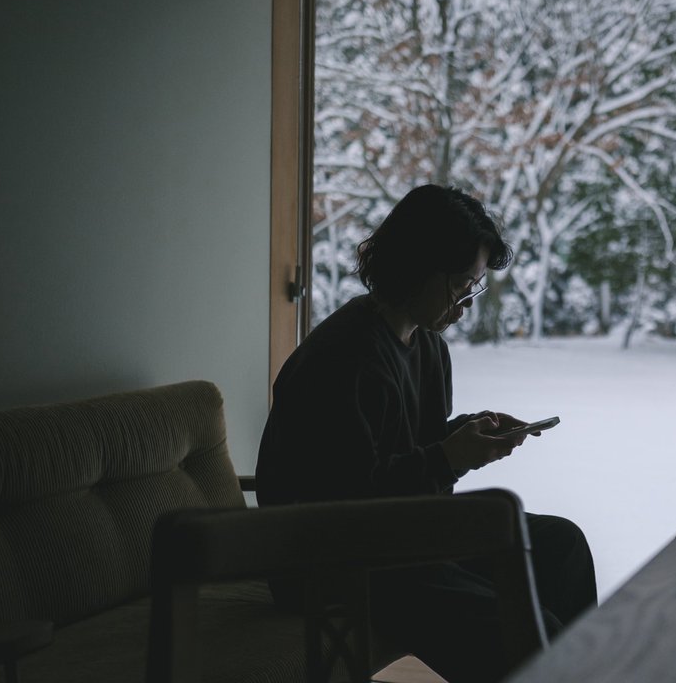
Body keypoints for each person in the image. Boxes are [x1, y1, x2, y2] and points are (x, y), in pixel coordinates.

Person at [255, 184, 597, 683]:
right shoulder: (343, 358)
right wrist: (448, 458)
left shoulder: (426, 344)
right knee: (528, 629)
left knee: (560, 545)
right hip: (334, 561)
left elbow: (407, 446)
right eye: (462, 285)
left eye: (473, 287)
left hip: (406, 537)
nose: (465, 303)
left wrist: (464, 435)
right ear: (417, 266)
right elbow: (349, 504)